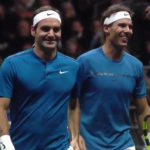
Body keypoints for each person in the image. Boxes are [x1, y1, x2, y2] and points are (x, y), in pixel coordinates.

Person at [69, 4, 150, 150]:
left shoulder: (136, 66)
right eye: (122, 26)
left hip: (124, 144)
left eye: (130, 27)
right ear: (106, 28)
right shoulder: (85, 62)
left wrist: (149, 138)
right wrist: (75, 136)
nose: (127, 31)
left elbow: (143, 110)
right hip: (88, 144)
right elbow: (73, 104)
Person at [0, 5, 80, 150]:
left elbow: (74, 105)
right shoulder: (12, 64)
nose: (51, 34)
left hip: (60, 146)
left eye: (56, 29)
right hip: (21, 146)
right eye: (45, 29)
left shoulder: (73, 67)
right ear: (33, 30)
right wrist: (4, 140)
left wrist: (75, 138)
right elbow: (1, 105)